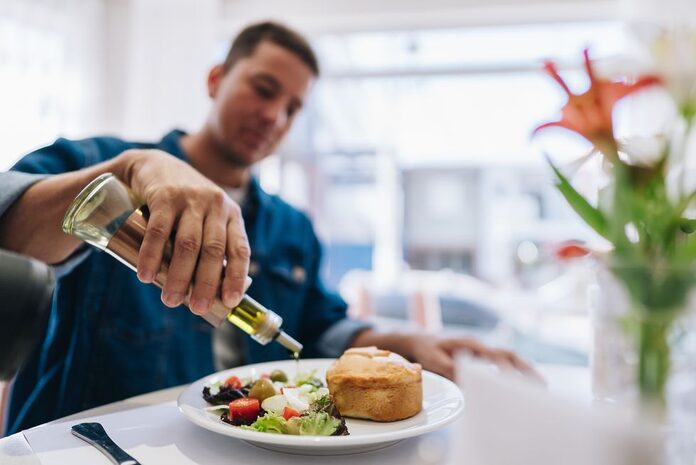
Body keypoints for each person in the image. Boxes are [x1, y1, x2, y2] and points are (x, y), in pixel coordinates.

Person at [0, 21, 533, 435]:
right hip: (103, 446)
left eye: (292, 107)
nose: (274, 115)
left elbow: (317, 329)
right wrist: (133, 170)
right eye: (263, 88)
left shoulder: (291, 226)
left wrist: (404, 342)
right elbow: (10, 230)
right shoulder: (100, 160)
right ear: (216, 80)